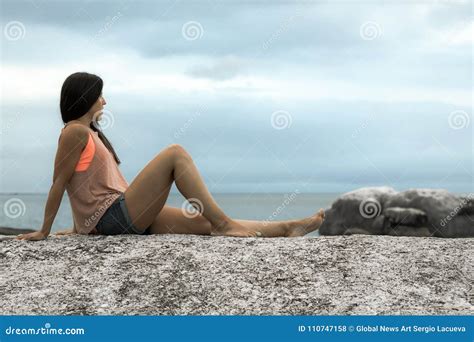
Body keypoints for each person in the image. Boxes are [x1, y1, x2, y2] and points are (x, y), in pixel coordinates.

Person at [16, 72, 325, 241]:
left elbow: (83, 187)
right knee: (175, 154)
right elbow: (60, 182)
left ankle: (286, 228)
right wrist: (45, 230)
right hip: (114, 217)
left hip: (121, 216)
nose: (104, 100)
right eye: (99, 95)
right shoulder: (74, 131)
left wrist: (77, 225)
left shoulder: (90, 133)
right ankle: (225, 224)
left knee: (202, 225)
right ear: (85, 97)